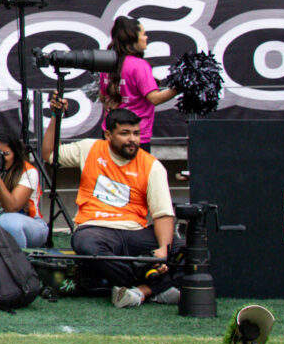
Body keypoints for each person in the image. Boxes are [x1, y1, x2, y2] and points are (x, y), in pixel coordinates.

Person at [39, 97, 180, 308]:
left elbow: (162, 214)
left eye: (136, 133)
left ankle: (141, 292)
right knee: (87, 246)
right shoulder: (89, 148)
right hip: (95, 228)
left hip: (135, 232)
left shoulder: (153, 165)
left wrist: (163, 249)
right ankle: (154, 282)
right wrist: (55, 117)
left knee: (188, 250)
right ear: (108, 134)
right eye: (125, 134)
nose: (132, 139)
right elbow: (49, 154)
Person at [97, 15, 176, 146]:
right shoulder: (139, 65)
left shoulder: (107, 64)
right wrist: (180, 88)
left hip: (110, 133)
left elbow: (102, 96)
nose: (146, 38)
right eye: (144, 34)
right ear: (133, 38)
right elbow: (154, 98)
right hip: (135, 137)